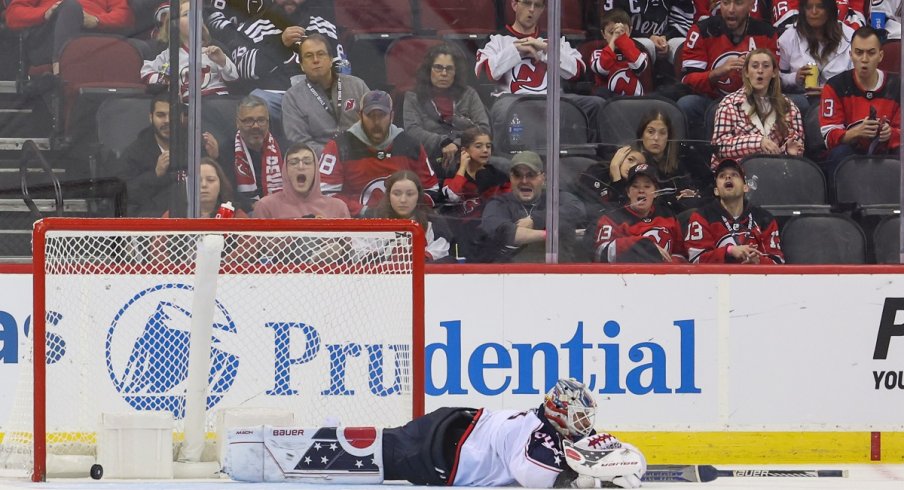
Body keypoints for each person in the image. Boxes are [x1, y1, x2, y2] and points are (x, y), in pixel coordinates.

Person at [225, 378, 647, 489]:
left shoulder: (546, 427)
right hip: (439, 453)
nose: (583, 425)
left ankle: (270, 447)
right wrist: (580, 482)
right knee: (371, 452)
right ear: (558, 411)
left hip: (455, 429)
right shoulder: (537, 435)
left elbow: (589, 448)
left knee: (381, 443)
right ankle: (263, 453)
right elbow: (534, 476)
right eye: (578, 416)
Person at [205, 0, 346, 140]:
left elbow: (343, 67)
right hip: (273, 99)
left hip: (317, 95)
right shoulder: (254, 27)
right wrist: (280, 44)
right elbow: (245, 70)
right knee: (255, 102)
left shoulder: (323, 26)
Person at [476, 0, 603, 143]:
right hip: (512, 100)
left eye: (537, 5)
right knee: (513, 110)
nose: (531, 9)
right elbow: (486, 73)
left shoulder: (556, 39)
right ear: (514, 5)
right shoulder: (495, 39)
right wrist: (517, 50)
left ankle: (591, 156)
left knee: (595, 104)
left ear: (542, 9)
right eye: (526, 3)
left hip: (554, 100)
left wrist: (546, 51)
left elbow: (577, 71)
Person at [319, 90, 440, 218]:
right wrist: (364, 211)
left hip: (403, 225)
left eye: (382, 115)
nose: (376, 122)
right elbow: (325, 194)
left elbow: (431, 191)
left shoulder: (411, 146)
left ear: (392, 116)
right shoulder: (338, 147)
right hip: (354, 227)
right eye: (370, 115)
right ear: (360, 116)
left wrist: (404, 210)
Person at [678, 0, 778, 141]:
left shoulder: (766, 33)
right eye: (725, 3)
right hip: (712, 99)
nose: (730, 9)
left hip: (758, 101)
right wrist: (717, 73)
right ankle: (701, 158)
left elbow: (775, 76)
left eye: (738, 3)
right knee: (688, 104)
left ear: (751, 5)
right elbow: (687, 80)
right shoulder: (702, 31)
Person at [820, 26, 901, 189]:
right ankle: (843, 209)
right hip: (850, 152)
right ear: (851, 55)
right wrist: (856, 132)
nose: (864, 59)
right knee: (839, 154)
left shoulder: (899, 86)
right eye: (859, 52)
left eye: (871, 53)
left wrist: (890, 133)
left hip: (888, 151)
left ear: (880, 55)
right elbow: (829, 137)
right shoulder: (835, 86)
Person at [120, 93, 219, 217]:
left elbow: (222, 190)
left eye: (173, 115)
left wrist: (215, 159)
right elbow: (124, 195)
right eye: (160, 115)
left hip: (194, 216)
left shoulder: (196, 145)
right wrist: (155, 175)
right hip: (153, 222)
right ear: (151, 118)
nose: (167, 120)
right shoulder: (135, 152)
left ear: (182, 117)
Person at [475, 151, 585, 263]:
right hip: (511, 275)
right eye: (517, 175)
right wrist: (551, 234)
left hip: (558, 274)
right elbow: (507, 234)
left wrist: (535, 220)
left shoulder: (555, 198)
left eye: (531, 175)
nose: (524, 181)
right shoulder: (498, 204)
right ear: (511, 178)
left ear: (543, 178)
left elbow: (577, 209)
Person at [403, 43, 491, 173]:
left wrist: (456, 143)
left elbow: (483, 129)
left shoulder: (469, 94)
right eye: (438, 68)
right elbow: (412, 131)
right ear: (428, 70)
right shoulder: (413, 97)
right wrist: (443, 142)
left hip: (467, 158)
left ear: (456, 72)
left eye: (449, 69)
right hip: (428, 159)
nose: (444, 73)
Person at [711, 48, 805, 167]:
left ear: (774, 72)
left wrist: (788, 151)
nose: (760, 70)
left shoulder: (788, 107)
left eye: (766, 66)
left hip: (776, 171)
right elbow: (720, 147)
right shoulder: (729, 104)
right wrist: (757, 142)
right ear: (746, 72)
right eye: (755, 66)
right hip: (739, 174)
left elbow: (797, 145)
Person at [282, 33, 370, 158]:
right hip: (321, 162)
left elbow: (374, 123)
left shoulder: (357, 85)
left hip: (360, 155)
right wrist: (332, 155)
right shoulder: (292, 97)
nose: (316, 60)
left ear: (330, 60)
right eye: (308, 56)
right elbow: (299, 142)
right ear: (301, 65)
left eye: (321, 54)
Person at [684, 159, 784, 264]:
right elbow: (696, 261)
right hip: (717, 280)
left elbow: (777, 261)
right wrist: (729, 251)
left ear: (745, 187)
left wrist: (758, 262)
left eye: (734, 175)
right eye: (722, 176)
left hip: (756, 280)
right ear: (716, 191)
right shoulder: (701, 217)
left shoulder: (764, 218)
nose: (728, 177)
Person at [140, 1, 238, 100]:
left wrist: (222, 62)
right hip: (187, 107)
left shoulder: (215, 47)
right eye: (186, 14)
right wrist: (164, 80)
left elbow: (234, 79)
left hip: (219, 101)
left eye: (197, 13)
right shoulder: (168, 53)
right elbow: (145, 72)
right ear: (174, 23)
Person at [5, 0, 134, 74]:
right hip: (50, 36)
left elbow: (125, 16)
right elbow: (12, 15)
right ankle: (60, 74)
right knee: (71, 8)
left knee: (142, 48)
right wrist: (44, 13)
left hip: (93, 33)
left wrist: (96, 20)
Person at [590, 164, 686, 263]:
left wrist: (667, 264)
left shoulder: (668, 216)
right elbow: (599, 254)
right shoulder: (612, 219)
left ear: (656, 192)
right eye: (635, 186)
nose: (641, 191)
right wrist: (639, 244)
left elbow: (681, 255)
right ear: (628, 192)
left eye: (647, 186)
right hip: (628, 276)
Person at [439, 128, 510, 258]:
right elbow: (452, 196)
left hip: (488, 239)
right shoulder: (452, 174)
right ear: (465, 151)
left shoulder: (497, 176)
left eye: (488, 146)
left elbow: (509, 204)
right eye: (479, 146)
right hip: (458, 240)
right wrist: (462, 168)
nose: (485, 150)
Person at [778, 0, 854, 114]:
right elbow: (776, 78)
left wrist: (830, 91)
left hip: (839, 99)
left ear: (830, 10)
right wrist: (795, 77)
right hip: (800, 99)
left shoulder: (850, 36)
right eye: (809, 7)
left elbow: (856, 80)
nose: (813, 12)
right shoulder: (789, 36)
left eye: (820, 7)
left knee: (823, 108)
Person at [373, 170, 454, 263]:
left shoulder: (434, 223)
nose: (403, 200)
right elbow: (361, 256)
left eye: (410, 194)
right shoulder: (374, 222)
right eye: (397, 194)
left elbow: (439, 252)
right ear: (388, 195)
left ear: (418, 196)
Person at [635, 111, 708, 213]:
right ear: (641, 135)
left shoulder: (683, 157)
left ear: (669, 137)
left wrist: (694, 193)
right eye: (651, 132)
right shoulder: (634, 161)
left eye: (662, 133)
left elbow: (705, 185)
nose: (656, 138)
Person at [254, 143, 350, 219]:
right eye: (293, 163)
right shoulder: (266, 206)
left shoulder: (338, 207)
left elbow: (348, 243)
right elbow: (256, 243)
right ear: (285, 170)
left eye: (307, 162)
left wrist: (325, 231)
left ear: (316, 169)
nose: (301, 167)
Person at [231, 95, 285, 210]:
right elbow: (228, 193)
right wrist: (252, 206)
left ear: (268, 122)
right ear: (237, 123)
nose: (255, 126)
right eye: (249, 121)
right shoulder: (226, 150)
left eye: (261, 120)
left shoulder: (285, 149)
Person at [590, 9, 651, 97]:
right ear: (603, 34)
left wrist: (623, 41)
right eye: (612, 33)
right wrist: (614, 41)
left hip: (636, 102)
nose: (617, 36)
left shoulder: (639, 52)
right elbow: (601, 70)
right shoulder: (597, 54)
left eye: (622, 32)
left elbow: (639, 67)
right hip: (609, 102)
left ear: (630, 31)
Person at [162, 157, 248, 219]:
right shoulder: (173, 215)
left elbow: (249, 243)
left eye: (210, 180)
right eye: (197, 181)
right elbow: (158, 244)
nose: (204, 185)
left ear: (221, 184)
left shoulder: (235, 215)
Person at [575, 144, 647, 217]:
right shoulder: (597, 171)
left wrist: (616, 178)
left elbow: (619, 214)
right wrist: (614, 166)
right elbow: (586, 206)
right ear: (619, 157)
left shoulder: (637, 186)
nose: (632, 166)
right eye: (630, 160)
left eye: (638, 165)